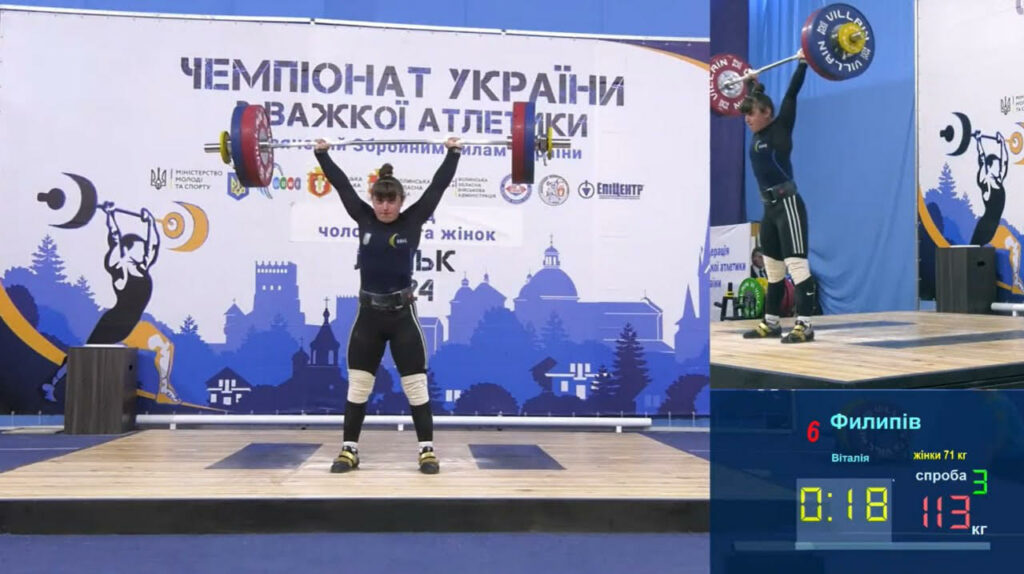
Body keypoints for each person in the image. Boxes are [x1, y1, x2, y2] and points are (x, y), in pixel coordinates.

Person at [314, 136, 462, 474]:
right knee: (359, 386)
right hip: (368, 318)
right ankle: (349, 451)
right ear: (372, 199)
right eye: (379, 200)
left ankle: (426, 451)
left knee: (416, 386)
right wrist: (322, 155)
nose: (384, 207)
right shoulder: (363, 218)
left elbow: (438, 187)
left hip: (401, 317)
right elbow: (341, 185)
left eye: (390, 200)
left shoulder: (413, 221)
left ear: (400, 200)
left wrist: (453, 153)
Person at [43, 202, 181, 404]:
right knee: (86, 354)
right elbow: (115, 241)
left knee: (165, 347)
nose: (143, 251)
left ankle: (163, 390)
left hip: (134, 326)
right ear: (127, 251)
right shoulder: (119, 267)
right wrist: (110, 216)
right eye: (138, 248)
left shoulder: (142, 267)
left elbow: (153, 246)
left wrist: (150, 223)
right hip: (115, 323)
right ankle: (52, 383)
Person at [740, 50, 818, 344]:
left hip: (788, 206)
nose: (747, 118)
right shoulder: (757, 135)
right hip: (769, 209)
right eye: (746, 114)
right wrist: (752, 82)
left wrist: (802, 63)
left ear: (767, 113)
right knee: (773, 270)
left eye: (751, 114)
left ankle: (805, 325)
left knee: (797, 267)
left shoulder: (780, 129)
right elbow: (757, 98)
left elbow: (791, 95)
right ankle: (771, 323)